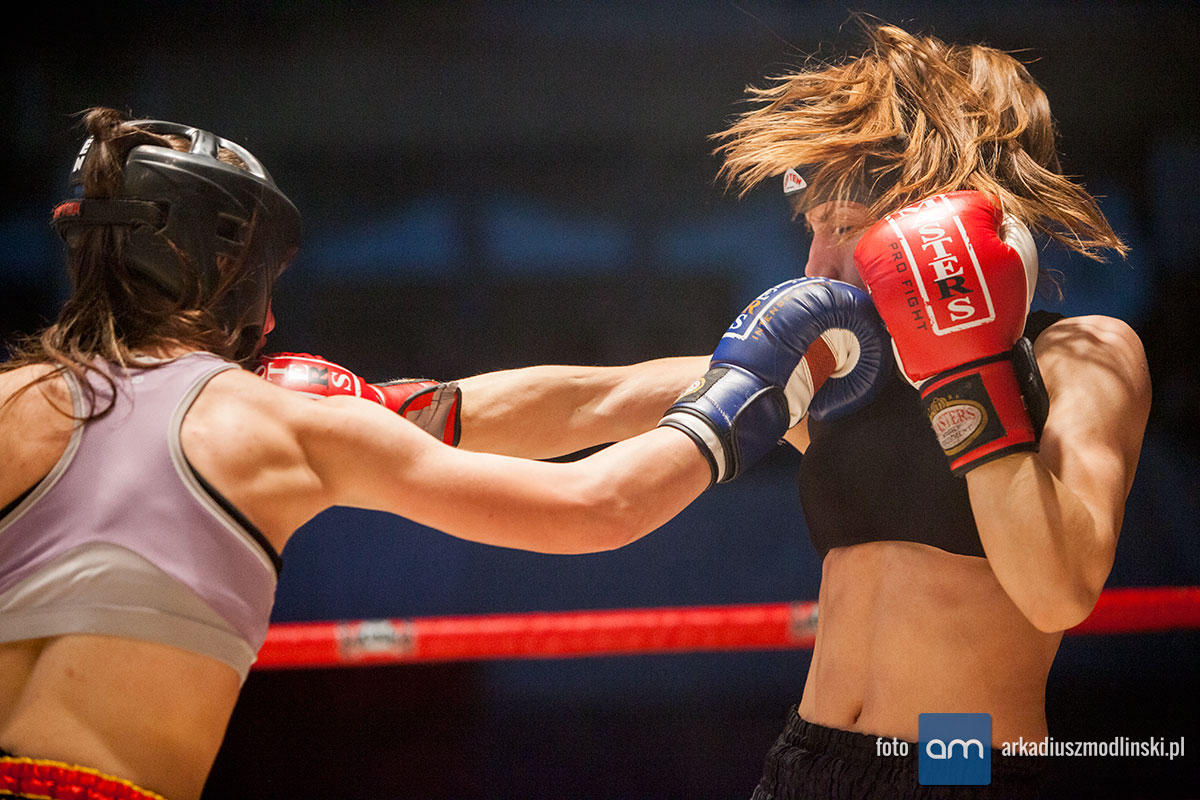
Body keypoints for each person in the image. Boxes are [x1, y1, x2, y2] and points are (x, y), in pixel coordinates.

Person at [0, 108, 889, 800]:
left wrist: (725, 370)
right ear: (230, 260)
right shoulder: (274, 423)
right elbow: (593, 507)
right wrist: (753, 391)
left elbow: (533, 406)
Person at [712, 21, 1151, 799]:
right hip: (802, 761)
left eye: (843, 228)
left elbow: (1059, 592)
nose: (816, 267)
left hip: (958, 760)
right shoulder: (843, 375)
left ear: (932, 220)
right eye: (813, 230)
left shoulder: (1080, 354)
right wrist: (461, 408)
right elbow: (606, 397)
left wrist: (966, 366)